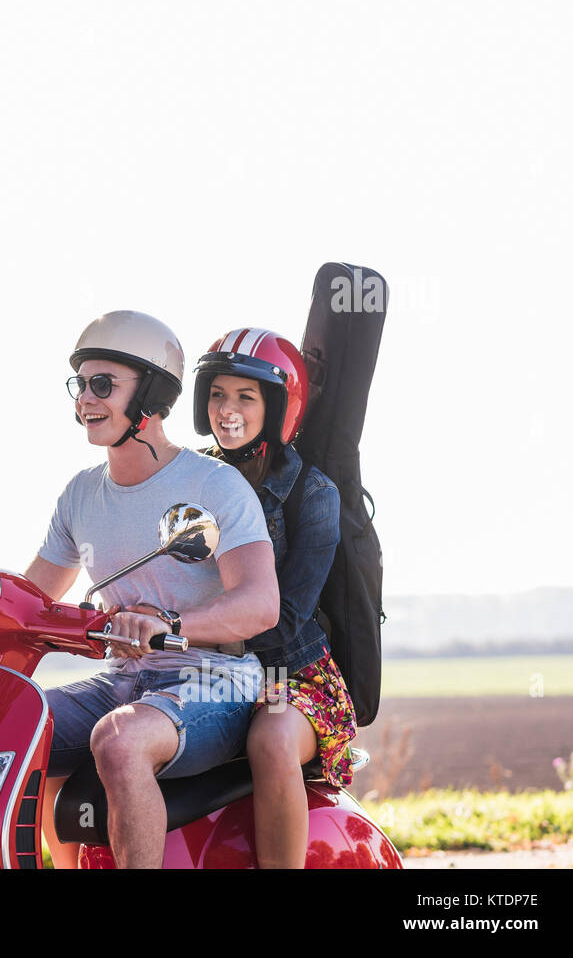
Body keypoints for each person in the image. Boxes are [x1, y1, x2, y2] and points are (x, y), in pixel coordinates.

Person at [0, 310, 278, 869]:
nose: (85, 398)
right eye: (79, 385)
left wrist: (170, 626)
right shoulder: (81, 495)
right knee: (5, 728)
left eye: (102, 384)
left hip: (213, 682)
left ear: (151, 393)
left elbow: (260, 605)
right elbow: (29, 601)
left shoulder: (213, 485)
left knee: (120, 742)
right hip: (125, 680)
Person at [192, 327, 359, 869]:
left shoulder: (313, 494)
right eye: (217, 394)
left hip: (288, 675)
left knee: (271, 740)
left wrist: (176, 625)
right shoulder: (185, 475)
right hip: (194, 666)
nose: (227, 408)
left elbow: (284, 619)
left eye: (246, 396)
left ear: (279, 405)